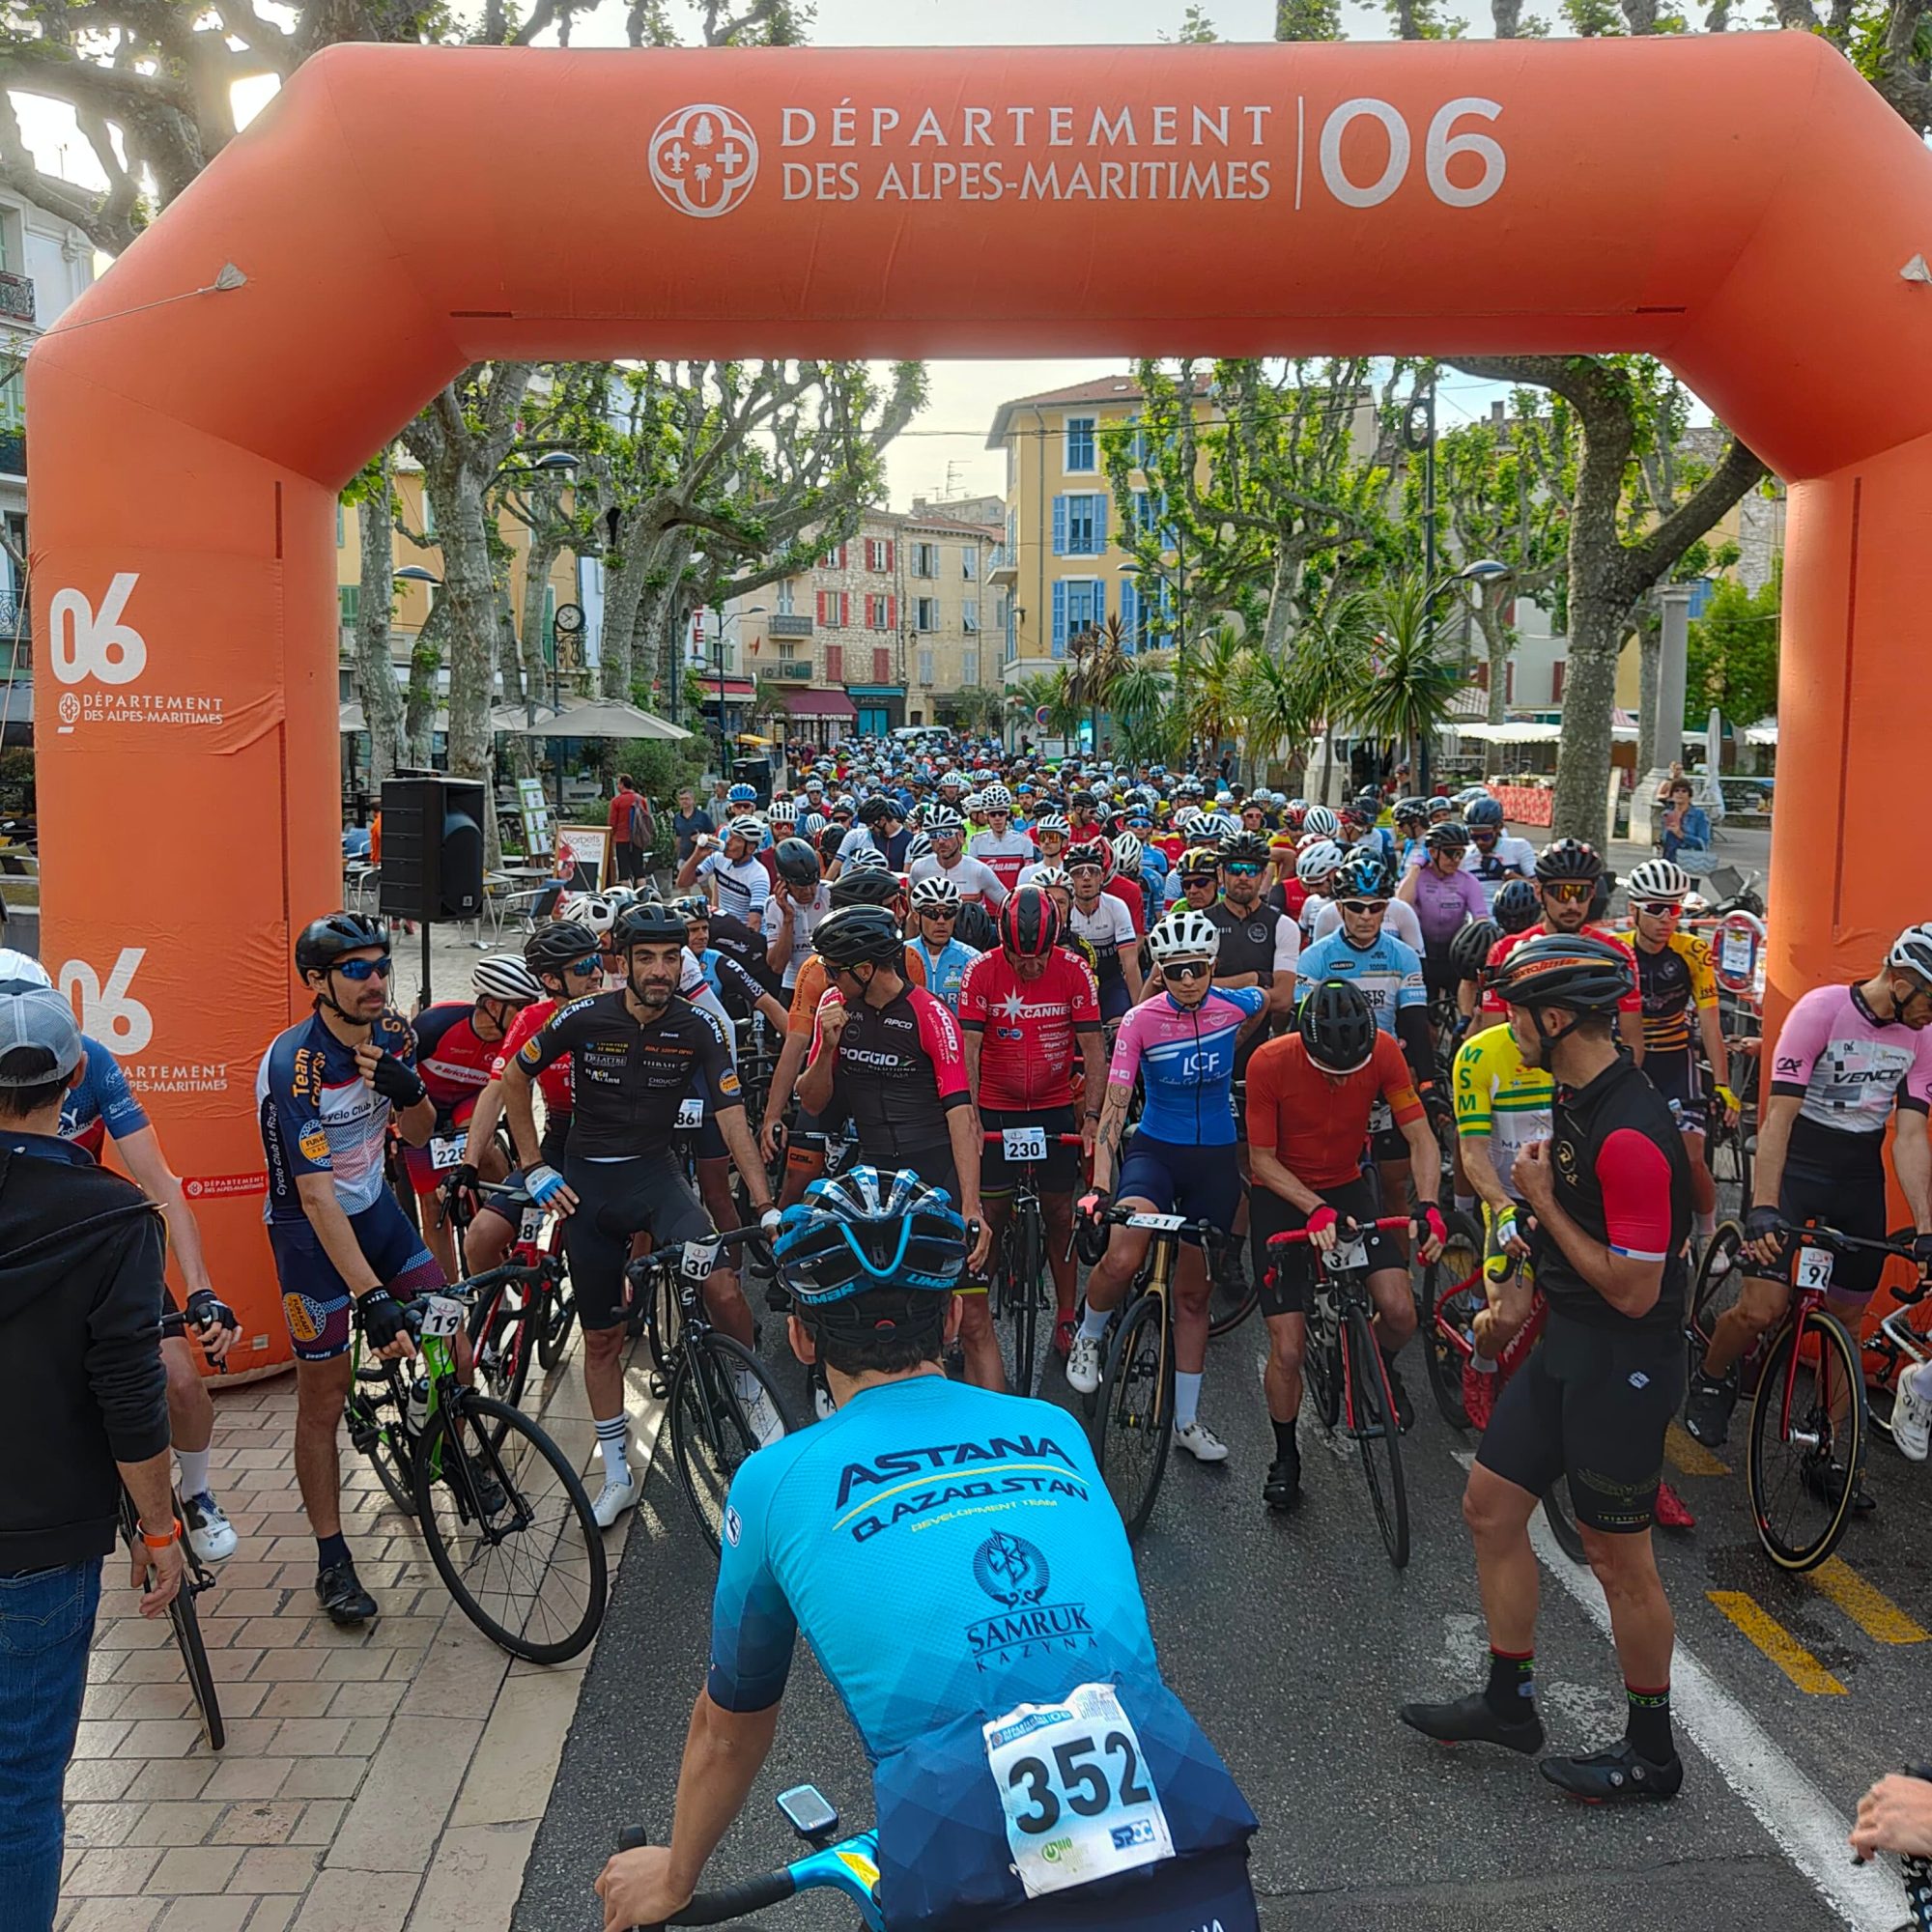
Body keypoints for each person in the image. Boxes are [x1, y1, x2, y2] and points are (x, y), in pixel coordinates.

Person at [595, 1167, 1261, 1932]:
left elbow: (728, 1730)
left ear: (802, 1337)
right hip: (1176, 1799)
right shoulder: (1053, 1429)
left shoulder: (773, 1481)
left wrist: (675, 1877)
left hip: (961, 1841)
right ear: (950, 1319)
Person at [1401, 934, 1692, 1802]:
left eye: (1517, 1012)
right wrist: (1530, 1249)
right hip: (1567, 1339)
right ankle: (1509, 1701)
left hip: (1624, 1359)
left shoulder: (1630, 1131)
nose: (1506, 1025)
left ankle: (1653, 1753)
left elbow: (1635, 1291)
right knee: (1490, 1508)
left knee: (1616, 1559)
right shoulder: (1576, 1096)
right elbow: (1571, 1228)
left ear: (1556, 1018)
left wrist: (1540, 1202)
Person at [0, 980, 185, 1927]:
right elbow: (129, 1393)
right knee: (21, 1788)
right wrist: (160, 1528)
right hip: (41, 1536)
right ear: (74, 1082)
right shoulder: (113, 1216)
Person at [504, 901, 783, 1524]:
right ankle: (616, 1472)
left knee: (723, 1285)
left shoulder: (698, 1025)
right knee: (601, 1340)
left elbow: (731, 1117)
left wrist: (764, 1204)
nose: (660, 970)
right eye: (647, 958)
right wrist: (534, 1166)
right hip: (589, 1190)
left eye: (671, 958)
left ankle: (749, 1390)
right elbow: (513, 1081)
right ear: (623, 962)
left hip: (657, 1179)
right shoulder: (582, 1015)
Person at [0, 948, 242, 1565]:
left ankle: (197, 1491)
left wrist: (201, 1289)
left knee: (181, 1383)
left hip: (88, 1238)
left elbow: (161, 1185)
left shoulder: (91, 1061)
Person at [1686, 924, 1932, 1486]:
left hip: (1857, 1176)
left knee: (1845, 1322)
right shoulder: (1822, 1011)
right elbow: (1779, 1118)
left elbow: (1912, 1134)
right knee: (1762, 1310)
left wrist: (1925, 1228)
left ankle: (1828, 1451)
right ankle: (1713, 1374)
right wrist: (1764, 1208)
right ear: (1900, 982)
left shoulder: (1922, 1037)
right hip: (1798, 1167)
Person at [257, 913, 447, 1626]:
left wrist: (411, 1092)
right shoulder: (295, 1066)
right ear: (317, 980)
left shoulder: (393, 1034)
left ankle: (449, 1446)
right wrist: (370, 1296)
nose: (376, 980)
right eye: (357, 969)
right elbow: (314, 1196)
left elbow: (423, 1135)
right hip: (308, 1234)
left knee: (449, 1332)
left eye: (381, 965)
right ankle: (332, 1559)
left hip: (375, 1210)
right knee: (325, 1397)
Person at [1071, 912, 1268, 1462]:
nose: (1186, 980)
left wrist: (1235, 1024)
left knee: (1193, 1297)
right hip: (1156, 1153)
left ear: (1211, 966)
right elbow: (1115, 1109)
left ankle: (1186, 1421)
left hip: (1214, 1162)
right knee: (1121, 1256)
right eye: (1175, 970)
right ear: (1160, 970)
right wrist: (1099, 1186)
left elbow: (1266, 995)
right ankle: (1089, 1334)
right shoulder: (1140, 1020)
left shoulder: (1233, 1007)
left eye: (1197, 969)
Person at [1245, 980, 1444, 1511]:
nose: (1341, 1080)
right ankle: (1286, 1456)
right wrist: (1313, 1207)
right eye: (1329, 1070)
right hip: (1282, 1193)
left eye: (1351, 1071)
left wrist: (1429, 1204)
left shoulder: (1383, 1050)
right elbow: (1261, 1159)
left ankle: (1373, 1361)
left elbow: (1421, 1137)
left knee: (1400, 1312)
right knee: (1288, 1349)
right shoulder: (1269, 1061)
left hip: (1346, 1186)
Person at [795, 906, 997, 1384]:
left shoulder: (930, 1014)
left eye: (834, 969)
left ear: (865, 969)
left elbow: (961, 1115)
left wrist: (972, 1207)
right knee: (870, 1314)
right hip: (874, 1176)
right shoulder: (835, 1007)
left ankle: (993, 1420)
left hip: (935, 1174)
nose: (828, 978)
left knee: (971, 1320)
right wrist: (827, 1048)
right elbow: (813, 1101)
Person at [961, 889, 1106, 1361]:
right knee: (990, 1216)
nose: (1030, 966)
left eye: (1040, 956)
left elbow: (1095, 1050)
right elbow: (969, 1051)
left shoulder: (1074, 970)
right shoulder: (981, 970)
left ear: (1054, 942)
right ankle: (974, 1318)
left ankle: (1066, 1317)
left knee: (1061, 1214)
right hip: (996, 1107)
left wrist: (1091, 1118)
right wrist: (969, 1117)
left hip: (1052, 1105)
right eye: (1019, 958)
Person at [450, 921, 603, 1276]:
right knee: (480, 1239)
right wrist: (469, 1164)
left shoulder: (619, 1009)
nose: (597, 973)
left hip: (610, 1154)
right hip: (557, 1150)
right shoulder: (532, 1019)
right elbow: (496, 1092)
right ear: (551, 980)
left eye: (596, 961)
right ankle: (502, 1300)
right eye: (584, 966)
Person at [1616, 858, 1739, 1250]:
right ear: (1633, 909)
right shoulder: (1616, 951)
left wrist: (1723, 1086)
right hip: (1629, 1062)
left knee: (1691, 1157)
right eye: (1656, 909)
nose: (1667, 919)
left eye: (1675, 909)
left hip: (1675, 1060)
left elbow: (1710, 1025)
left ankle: (1707, 1232)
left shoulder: (1693, 951)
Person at [403, 954, 544, 1283]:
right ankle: (449, 1291)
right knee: (432, 1207)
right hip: (426, 1108)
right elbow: (399, 1083)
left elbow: (518, 1101)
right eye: (522, 1006)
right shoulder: (434, 1026)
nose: (530, 1013)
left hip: (470, 1104)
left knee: (484, 1146)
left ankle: (501, 1214)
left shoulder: (520, 1038)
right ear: (493, 1006)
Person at [1397, 822, 1490, 1001]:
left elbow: (1481, 919)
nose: (1456, 859)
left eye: (1460, 854)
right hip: (1424, 953)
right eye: (1450, 853)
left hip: (1454, 956)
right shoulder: (1418, 878)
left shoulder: (1468, 881)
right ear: (1432, 852)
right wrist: (1415, 868)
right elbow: (1402, 905)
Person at [1064, 839, 1143, 1021]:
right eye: (1078, 873)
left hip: (1110, 982)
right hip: (1074, 985)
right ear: (1069, 880)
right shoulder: (1064, 910)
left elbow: (1130, 964)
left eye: (1093, 872)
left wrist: (1139, 1012)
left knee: (1118, 1025)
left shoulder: (1116, 906)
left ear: (1101, 877)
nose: (1086, 878)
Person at [677, 814, 772, 933]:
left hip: (745, 933)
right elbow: (683, 883)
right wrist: (696, 856)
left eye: (737, 839)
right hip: (724, 927)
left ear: (750, 848)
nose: (728, 841)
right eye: (730, 835)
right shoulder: (718, 858)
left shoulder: (758, 876)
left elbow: (754, 924)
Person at [763, 837, 832, 993]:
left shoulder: (830, 893)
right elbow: (777, 966)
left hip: (829, 982)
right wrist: (788, 919)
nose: (808, 892)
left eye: (813, 884)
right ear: (783, 882)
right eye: (800, 887)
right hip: (793, 985)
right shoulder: (773, 905)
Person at [906, 874, 980, 1014]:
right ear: (916, 918)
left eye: (948, 913)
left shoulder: (972, 959)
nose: (941, 921)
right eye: (932, 913)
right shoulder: (901, 955)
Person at [1462, 796, 1538, 905]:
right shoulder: (1465, 854)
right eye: (1474, 837)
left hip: (1511, 910)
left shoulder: (1519, 847)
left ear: (1499, 828)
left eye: (1485, 836)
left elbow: (1537, 887)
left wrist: (1504, 873)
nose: (1480, 842)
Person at [607, 771, 653, 887]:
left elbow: (612, 823)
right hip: (638, 839)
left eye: (618, 783)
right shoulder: (641, 799)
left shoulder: (616, 801)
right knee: (639, 871)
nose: (617, 786)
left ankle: (628, 895)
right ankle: (642, 894)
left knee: (624, 873)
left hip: (622, 839)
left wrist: (611, 837)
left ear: (622, 784)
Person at [1659, 776, 1712, 865]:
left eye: (1684, 791)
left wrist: (1682, 835)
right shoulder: (1667, 814)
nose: (1680, 793)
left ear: (1689, 795)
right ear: (1672, 795)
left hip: (1689, 861)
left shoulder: (1699, 814)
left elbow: (1703, 843)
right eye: (1676, 791)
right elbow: (1665, 840)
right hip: (1669, 862)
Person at [671, 785, 714, 869]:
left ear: (693, 800)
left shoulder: (703, 816)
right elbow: (678, 837)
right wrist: (676, 853)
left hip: (701, 857)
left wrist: (701, 837)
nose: (684, 801)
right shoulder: (677, 817)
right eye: (681, 799)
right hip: (683, 858)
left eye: (687, 799)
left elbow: (713, 835)